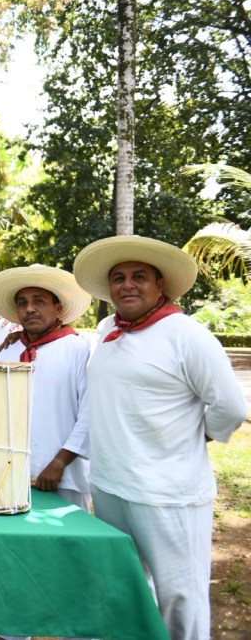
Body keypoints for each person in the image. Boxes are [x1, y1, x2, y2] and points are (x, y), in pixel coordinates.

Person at [73, 235, 247, 640]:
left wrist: (199, 433)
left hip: (169, 495)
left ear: (160, 285)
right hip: (112, 486)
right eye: (118, 277)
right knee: (128, 589)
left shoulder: (187, 335)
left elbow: (232, 408)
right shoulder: (106, 329)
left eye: (139, 276)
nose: (127, 285)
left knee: (180, 599)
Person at [0, 264, 93, 513]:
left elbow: (90, 414)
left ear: (58, 308)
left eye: (39, 301)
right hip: (10, 473)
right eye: (22, 303)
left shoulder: (78, 349)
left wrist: (59, 462)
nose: (29, 308)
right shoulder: (8, 350)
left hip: (63, 477)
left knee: (70, 543)